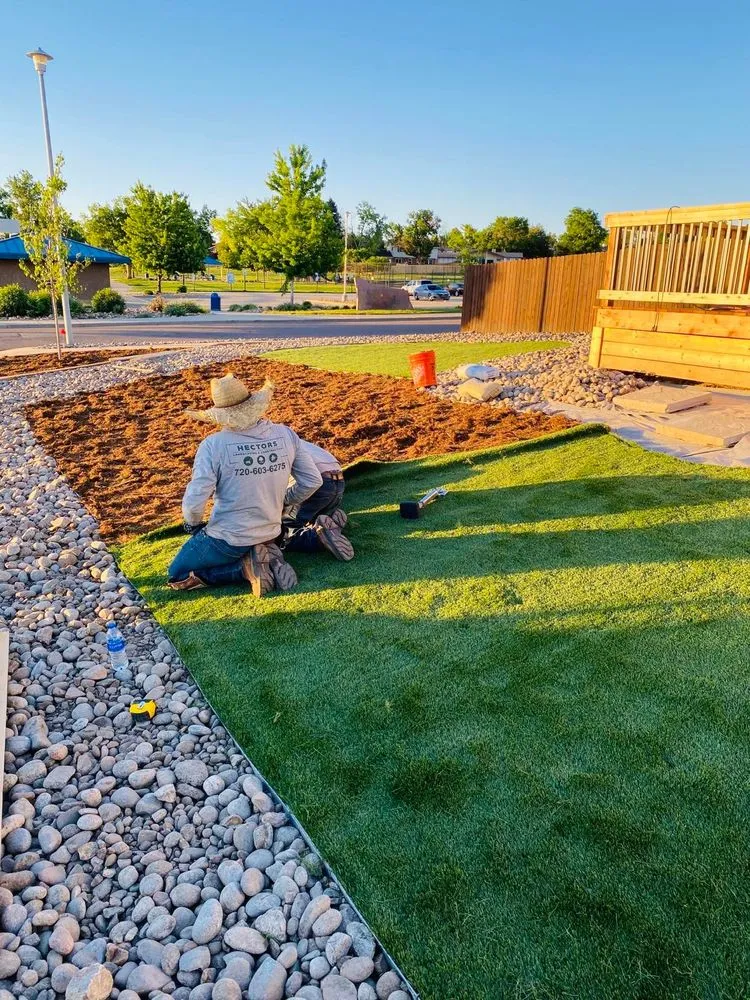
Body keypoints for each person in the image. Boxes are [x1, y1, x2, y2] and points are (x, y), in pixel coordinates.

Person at [167, 374, 352, 595]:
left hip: (229, 537)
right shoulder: (285, 434)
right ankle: (280, 548)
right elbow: (312, 481)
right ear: (255, 405)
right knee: (283, 533)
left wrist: (192, 525)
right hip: (271, 529)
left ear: (219, 414)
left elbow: (195, 497)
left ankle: (243, 569)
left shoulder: (213, 445)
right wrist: (283, 500)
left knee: (176, 576)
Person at [282, 439, 354, 560]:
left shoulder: (273, 447)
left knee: (284, 530)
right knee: (310, 512)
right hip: (338, 482)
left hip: (315, 484)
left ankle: (317, 536)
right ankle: (328, 518)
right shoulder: (293, 440)